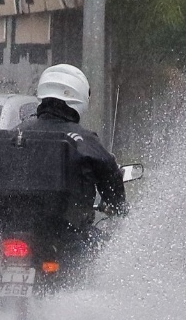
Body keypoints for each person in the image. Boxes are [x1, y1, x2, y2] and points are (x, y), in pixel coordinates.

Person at [17, 64, 127, 234]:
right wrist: (117, 205)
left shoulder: (16, 133)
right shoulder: (84, 140)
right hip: (68, 234)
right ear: (80, 95)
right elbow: (109, 174)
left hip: (15, 228)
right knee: (107, 246)